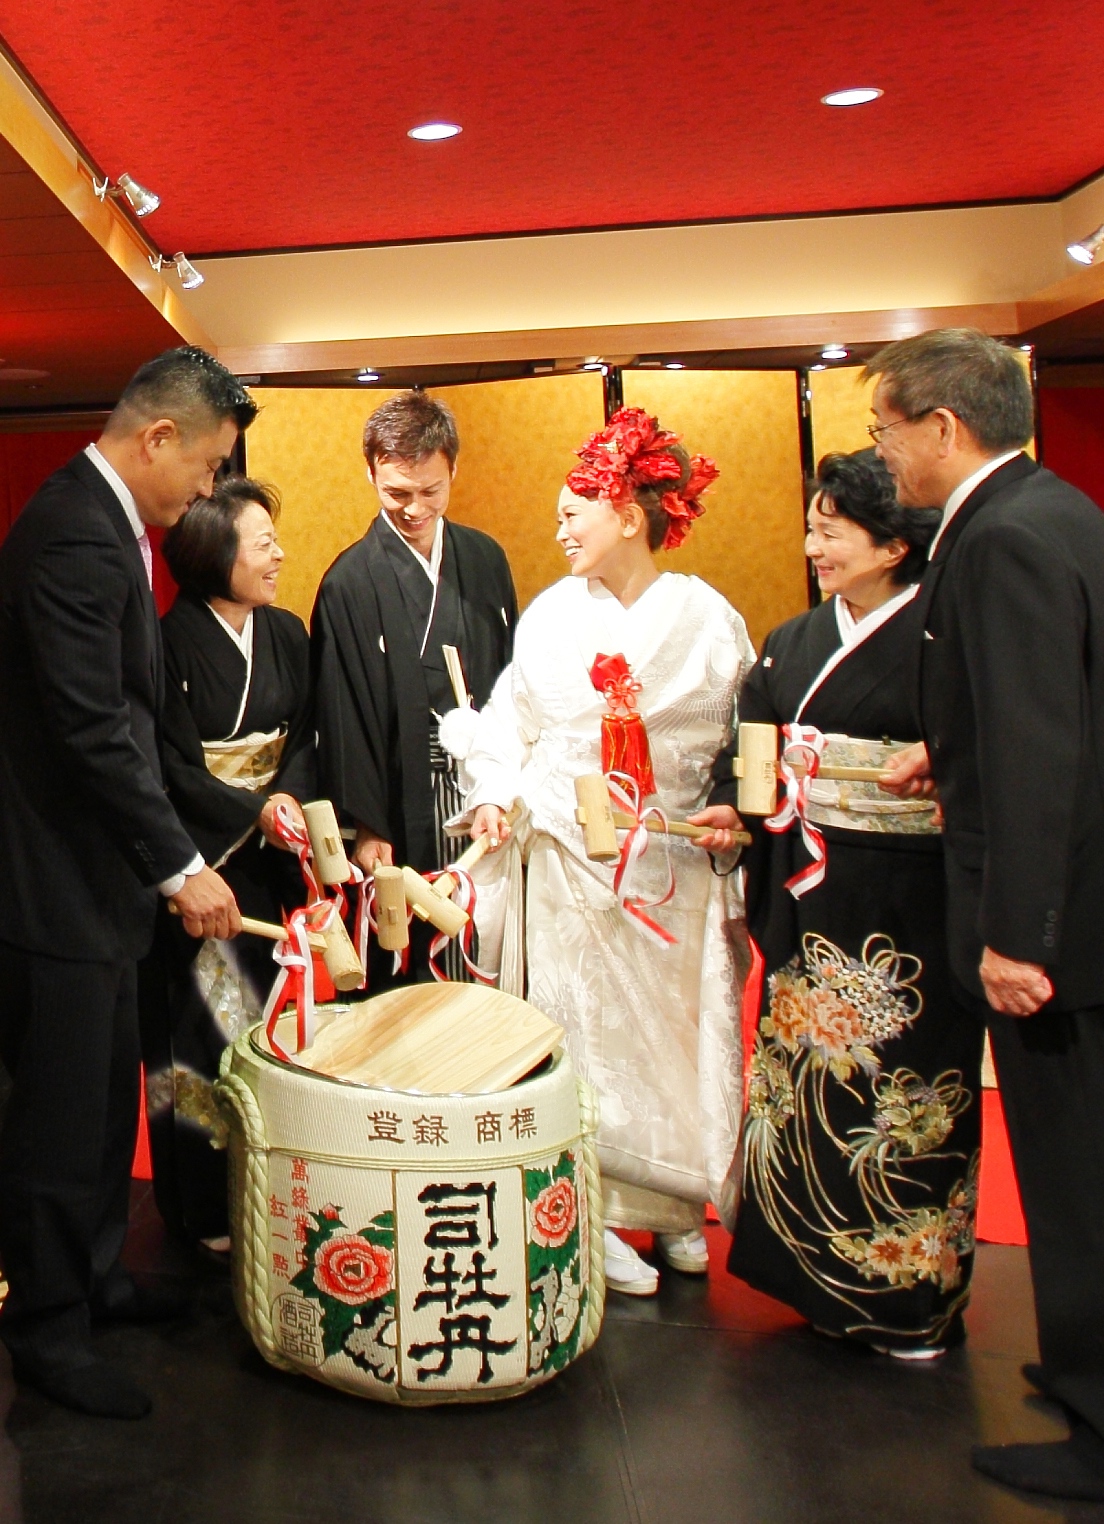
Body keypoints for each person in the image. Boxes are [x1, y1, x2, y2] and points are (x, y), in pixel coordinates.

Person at [870, 328, 1104, 1501]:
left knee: (1075, 1173)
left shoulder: (1002, 539)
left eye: (884, 430)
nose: (883, 455)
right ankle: (1081, 1378)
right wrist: (943, 753)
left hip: (1056, 926)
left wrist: (1020, 934)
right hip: (1078, 903)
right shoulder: (1054, 509)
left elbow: (1040, 748)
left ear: (943, 428)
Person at [0, 346, 253, 1419]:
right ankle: (48, 1330)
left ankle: (94, 1276)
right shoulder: (70, 531)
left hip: (97, 884)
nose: (208, 490)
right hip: (50, 885)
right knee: (57, 1120)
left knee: (107, 1105)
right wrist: (180, 866)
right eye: (205, 466)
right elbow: (94, 731)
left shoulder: (110, 524)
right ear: (157, 438)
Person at [458, 407, 754, 1296]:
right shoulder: (549, 616)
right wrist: (495, 797)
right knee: (584, 1033)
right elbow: (510, 724)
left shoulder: (707, 616)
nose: (559, 531)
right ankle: (597, 1209)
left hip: (668, 858)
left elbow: (734, 734)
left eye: (573, 513)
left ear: (629, 513)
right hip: (568, 860)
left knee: (671, 1037)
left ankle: (677, 1205)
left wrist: (728, 807)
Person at [703, 450, 983, 1355]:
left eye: (833, 530)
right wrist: (735, 807)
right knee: (803, 1090)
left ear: (896, 545)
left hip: (910, 903)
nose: (813, 544)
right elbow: (756, 739)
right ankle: (815, 1283)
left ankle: (910, 1299)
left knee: (904, 1097)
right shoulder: (794, 639)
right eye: (813, 526)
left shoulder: (949, 632)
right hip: (811, 893)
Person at [139, 476, 315, 1250]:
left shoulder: (287, 633)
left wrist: (288, 801)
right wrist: (252, 812)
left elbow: (308, 736)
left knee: (272, 1028)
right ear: (217, 553)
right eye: (262, 540)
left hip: (273, 862)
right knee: (201, 1030)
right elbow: (169, 763)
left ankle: (275, 1188)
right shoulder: (167, 641)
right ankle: (204, 1204)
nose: (278, 553)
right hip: (204, 863)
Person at [311, 390, 517, 984]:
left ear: (454, 468)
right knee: (412, 955)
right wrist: (367, 823)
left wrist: (503, 786)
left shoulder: (484, 560)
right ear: (370, 471)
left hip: (485, 790)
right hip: (401, 794)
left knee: (487, 942)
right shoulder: (349, 582)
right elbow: (341, 710)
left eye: (431, 491)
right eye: (396, 493)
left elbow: (512, 682)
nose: (414, 509)